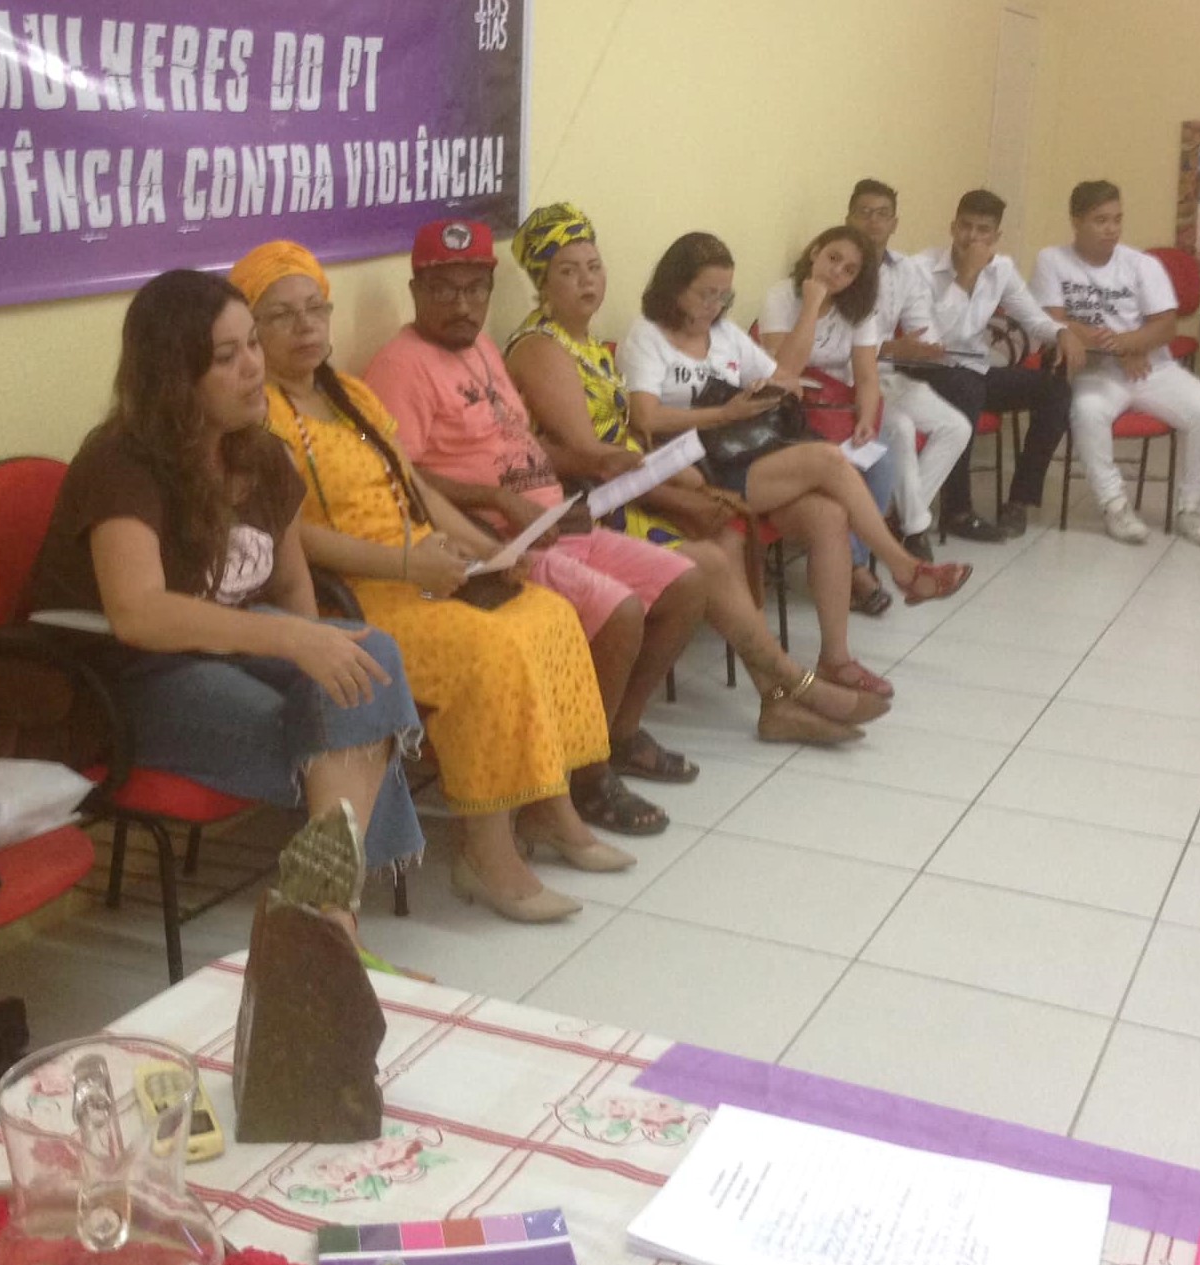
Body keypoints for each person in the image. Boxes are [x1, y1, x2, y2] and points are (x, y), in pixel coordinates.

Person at [229, 240, 625, 925]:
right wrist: (410, 566)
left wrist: (489, 549)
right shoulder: (256, 418)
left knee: (547, 614)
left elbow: (416, 491)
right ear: (252, 332)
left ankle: (550, 810)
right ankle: (486, 856)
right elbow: (295, 541)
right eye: (281, 316)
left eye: (315, 310)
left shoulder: (348, 394)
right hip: (353, 592)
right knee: (489, 649)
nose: (305, 327)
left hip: (425, 567)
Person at [25, 268, 427, 922]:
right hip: (130, 677)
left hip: (231, 646)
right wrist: (295, 642)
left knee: (368, 662)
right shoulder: (119, 463)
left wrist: (319, 662)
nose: (253, 367)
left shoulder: (263, 455)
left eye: (253, 345)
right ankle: (330, 921)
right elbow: (138, 612)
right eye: (225, 356)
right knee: (326, 734)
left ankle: (322, 916)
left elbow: (291, 583)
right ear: (174, 377)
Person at [503, 201, 893, 747]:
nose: (587, 281)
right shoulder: (543, 348)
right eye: (568, 271)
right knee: (710, 550)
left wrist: (684, 480)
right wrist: (677, 490)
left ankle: (775, 702)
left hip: (631, 483)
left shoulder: (584, 343)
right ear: (542, 282)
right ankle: (795, 684)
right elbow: (594, 458)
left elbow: (627, 440)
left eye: (593, 266)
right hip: (587, 504)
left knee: (725, 537)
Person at [364, 219, 705, 836]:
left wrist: (587, 469)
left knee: (686, 583)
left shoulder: (481, 347)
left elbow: (519, 439)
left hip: (554, 519)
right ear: (416, 291)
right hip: (497, 540)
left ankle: (616, 735)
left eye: (475, 289)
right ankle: (584, 777)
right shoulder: (400, 365)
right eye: (445, 289)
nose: (463, 305)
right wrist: (498, 500)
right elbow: (402, 477)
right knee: (621, 612)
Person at [620, 230, 972, 698]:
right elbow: (645, 418)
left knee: (829, 514)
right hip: (690, 467)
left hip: (741, 455)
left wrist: (769, 390)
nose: (714, 305)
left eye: (724, 296)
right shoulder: (647, 335)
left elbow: (782, 376)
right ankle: (904, 567)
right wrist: (723, 413)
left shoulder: (723, 334)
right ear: (674, 286)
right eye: (705, 294)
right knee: (828, 459)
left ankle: (836, 659)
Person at [878, 188, 1089, 540]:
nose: (972, 237)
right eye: (965, 226)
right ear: (952, 227)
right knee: (967, 388)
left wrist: (1062, 332)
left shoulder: (1001, 269)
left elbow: (1033, 318)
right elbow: (933, 342)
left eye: (983, 230)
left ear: (996, 236)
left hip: (974, 368)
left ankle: (1019, 501)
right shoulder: (921, 268)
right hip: (926, 369)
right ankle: (956, 510)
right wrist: (966, 276)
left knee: (1054, 390)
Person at [1031, 180, 1200, 545]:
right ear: (1076, 221)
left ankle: (1192, 508)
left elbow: (1166, 326)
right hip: (1095, 372)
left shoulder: (1142, 264)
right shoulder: (1052, 260)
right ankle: (1115, 505)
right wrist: (1117, 346)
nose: (1111, 229)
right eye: (1100, 220)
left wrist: (1126, 344)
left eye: (1117, 219)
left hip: (1149, 367)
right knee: (1088, 411)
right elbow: (1051, 320)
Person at [758, 223, 915, 616]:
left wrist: (866, 420)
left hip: (835, 412)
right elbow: (783, 371)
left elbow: (867, 377)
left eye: (849, 270)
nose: (837, 272)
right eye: (833, 258)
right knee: (842, 471)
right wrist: (812, 305)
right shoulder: (782, 296)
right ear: (815, 252)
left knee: (881, 463)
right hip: (789, 416)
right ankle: (857, 572)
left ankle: (853, 564)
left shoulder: (859, 309)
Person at [843, 180, 980, 549]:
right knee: (900, 427)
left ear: (895, 223)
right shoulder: (839, 266)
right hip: (848, 379)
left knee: (957, 427)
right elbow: (838, 343)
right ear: (849, 218)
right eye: (864, 213)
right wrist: (893, 347)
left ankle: (899, 516)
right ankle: (914, 530)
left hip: (891, 374)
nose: (873, 222)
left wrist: (925, 348)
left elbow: (924, 327)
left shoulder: (904, 269)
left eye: (882, 214)